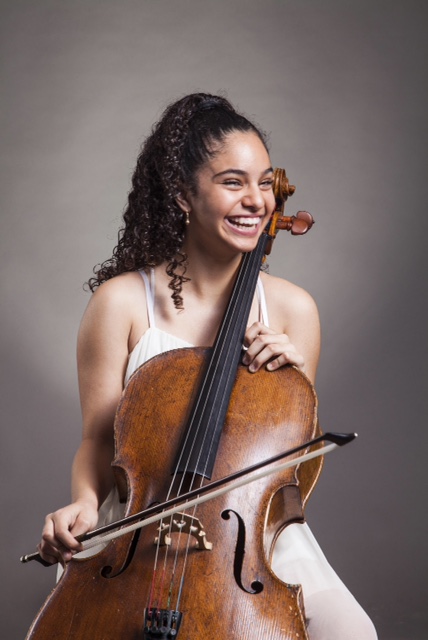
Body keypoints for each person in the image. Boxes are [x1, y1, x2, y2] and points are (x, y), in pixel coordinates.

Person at [37, 93, 377, 639]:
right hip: (139, 529)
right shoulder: (121, 303)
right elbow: (98, 440)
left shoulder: (293, 311)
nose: (257, 201)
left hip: (246, 535)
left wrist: (290, 384)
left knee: (352, 633)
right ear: (182, 195)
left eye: (264, 183)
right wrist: (82, 501)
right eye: (233, 182)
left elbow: (288, 470)